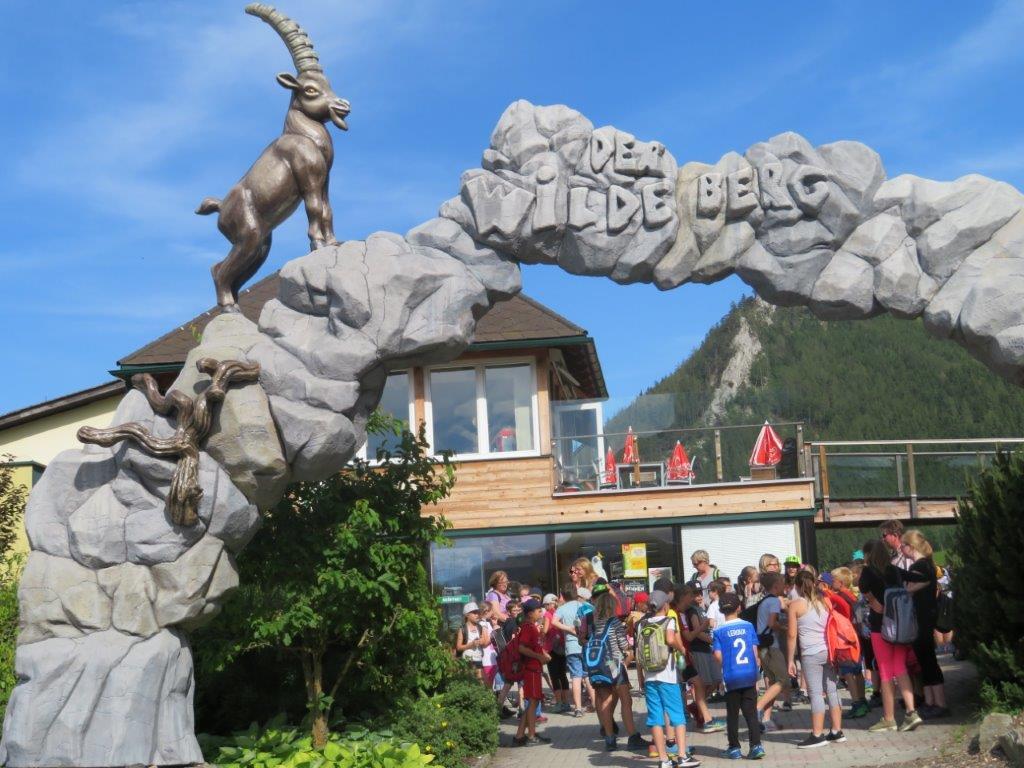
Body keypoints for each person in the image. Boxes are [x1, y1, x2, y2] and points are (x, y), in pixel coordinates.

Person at [860, 539, 922, 733]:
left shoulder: (868, 571)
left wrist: (872, 601)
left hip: (880, 627)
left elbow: (862, 587)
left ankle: (888, 719)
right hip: (900, 626)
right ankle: (911, 712)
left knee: (886, 672)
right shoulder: (894, 570)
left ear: (868, 554)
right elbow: (920, 577)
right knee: (900, 668)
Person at [638, 590, 702, 768]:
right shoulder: (669, 621)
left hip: (650, 677)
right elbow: (670, 639)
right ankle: (682, 756)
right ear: (665, 605)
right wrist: (682, 649)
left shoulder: (642, 624)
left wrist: (640, 677)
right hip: (667, 676)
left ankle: (663, 760)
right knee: (677, 716)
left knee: (655, 718)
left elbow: (638, 651)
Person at [787, 571, 844, 749]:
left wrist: (790, 660)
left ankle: (817, 735)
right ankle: (837, 731)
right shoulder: (825, 601)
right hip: (828, 650)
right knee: (832, 690)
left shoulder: (795, 605)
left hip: (810, 653)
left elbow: (791, 635)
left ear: (796, 586)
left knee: (816, 693)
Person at [588, 584, 648, 752]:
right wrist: (628, 646)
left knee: (606, 701)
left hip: (599, 664)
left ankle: (609, 739)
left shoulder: (595, 623)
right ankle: (633, 737)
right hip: (613, 663)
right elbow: (623, 645)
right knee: (626, 700)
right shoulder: (613, 622)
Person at [901, 530, 949, 719]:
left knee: (928, 661)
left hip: (922, 619)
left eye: (903, 545)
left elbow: (909, 589)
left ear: (911, 546)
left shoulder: (920, 566)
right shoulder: (926, 564)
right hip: (925, 618)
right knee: (925, 661)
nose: (901, 548)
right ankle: (931, 702)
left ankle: (939, 703)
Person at [713, 592, 765, 760]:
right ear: (739, 608)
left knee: (732, 713)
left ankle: (734, 748)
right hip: (748, 674)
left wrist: (725, 665)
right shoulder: (748, 626)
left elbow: (717, 655)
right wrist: (755, 671)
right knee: (751, 712)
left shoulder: (718, 631)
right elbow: (754, 652)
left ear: (721, 610)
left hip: (731, 676)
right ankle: (756, 746)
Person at [679, 583, 725, 733]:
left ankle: (697, 707)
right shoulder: (692, 611)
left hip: (706, 649)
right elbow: (697, 632)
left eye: (700, 593)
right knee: (704, 682)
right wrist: (713, 641)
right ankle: (703, 715)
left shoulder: (702, 607)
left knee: (716, 679)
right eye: (695, 593)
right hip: (698, 649)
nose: (698, 596)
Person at [829, 567, 868, 718]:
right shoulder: (851, 595)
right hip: (855, 636)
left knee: (848, 672)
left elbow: (843, 614)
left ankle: (857, 703)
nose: (831, 582)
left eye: (833, 579)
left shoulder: (840, 596)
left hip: (845, 638)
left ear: (840, 582)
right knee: (857, 671)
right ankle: (862, 700)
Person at [755, 572, 791, 731]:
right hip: (772, 646)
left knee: (772, 681)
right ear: (776, 586)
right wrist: (785, 628)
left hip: (763, 646)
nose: (785, 586)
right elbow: (772, 623)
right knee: (783, 680)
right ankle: (758, 708)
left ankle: (766, 719)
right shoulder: (775, 601)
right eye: (782, 584)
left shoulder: (764, 600)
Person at [513, 599, 552, 746]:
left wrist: (543, 654)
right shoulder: (528, 627)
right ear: (530, 613)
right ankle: (531, 735)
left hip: (534, 668)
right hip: (531, 669)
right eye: (538, 611)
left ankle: (520, 735)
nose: (541, 613)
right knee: (533, 702)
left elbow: (532, 646)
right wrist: (539, 656)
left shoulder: (531, 627)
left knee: (532, 702)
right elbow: (522, 648)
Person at [552, 587, 589, 717]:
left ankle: (578, 708)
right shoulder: (584, 606)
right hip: (586, 644)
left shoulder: (562, 608)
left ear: (563, 595)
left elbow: (553, 621)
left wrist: (568, 628)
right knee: (587, 676)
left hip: (571, 646)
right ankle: (596, 703)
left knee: (576, 677)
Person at [542, 593, 570, 713]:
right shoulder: (561, 612)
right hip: (562, 647)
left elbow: (545, 630)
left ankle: (558, 703)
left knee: (554, 676)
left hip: (552, 648)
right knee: (563, 675)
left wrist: (541, 632)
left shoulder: (548, 614)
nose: (545, 607)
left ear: (550, 604)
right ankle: (566, 702)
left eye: (545, 605)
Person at [455, 602, 489, 681]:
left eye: (477, 613)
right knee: (470, 682)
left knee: (481, 682)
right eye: (474, 613)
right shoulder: (462, 629)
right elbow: (458, 647)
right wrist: (471, 645)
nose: (477, 615)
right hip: (467, 660)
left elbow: (484, 642)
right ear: (467, 615)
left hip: (478, 658)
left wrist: (481, 641)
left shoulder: (480, 627)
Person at [480, 601, 499, 688]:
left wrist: (494, 625)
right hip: (487, 660)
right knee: (488, 685)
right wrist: (494, 631)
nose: (493, 613)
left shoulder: (486, 623)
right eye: (492, 610)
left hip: (491, 659)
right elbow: (485, 642)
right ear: (486, 611)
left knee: (490, 684)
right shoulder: (482, 624)